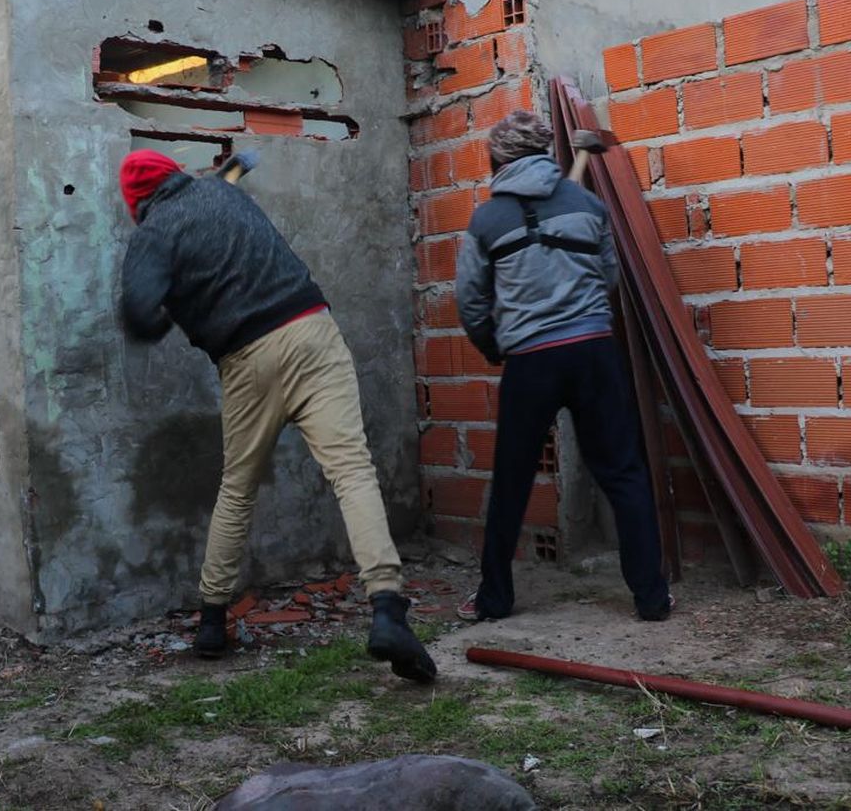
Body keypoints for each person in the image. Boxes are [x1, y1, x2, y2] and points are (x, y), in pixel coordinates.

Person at [119, 149, 436, 683]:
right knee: (352, 472)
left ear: (137, 204)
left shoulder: (153, 234)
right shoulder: (221, 191)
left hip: (246, 358)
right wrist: (232, 167)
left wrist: (161, 315)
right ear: (176, 175)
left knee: (238, 489)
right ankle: (386, 606)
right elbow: (225, 179)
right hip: (310, 328)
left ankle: (212, 622)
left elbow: (137, 311)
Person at [453, 110, 671, 623]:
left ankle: (494, 599)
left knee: (511, 480)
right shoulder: (587, 204)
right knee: (622, 472)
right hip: (594, 350)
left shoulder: (486, 219)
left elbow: (470, 299)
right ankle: (652, 598)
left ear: (497, 160)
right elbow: (608, 274)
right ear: (546, 154)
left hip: (530, 360)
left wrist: (494, 345)